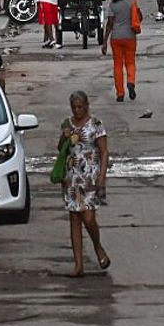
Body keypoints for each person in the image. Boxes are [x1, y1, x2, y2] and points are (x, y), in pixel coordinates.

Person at [59, 91, 111, 277]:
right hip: (72, 177)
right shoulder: (67, 124)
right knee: (74, 219)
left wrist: (102, 175)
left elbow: (104, 152)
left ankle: (98, 247)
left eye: (80, 106)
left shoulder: (96, 125)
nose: (77, 110)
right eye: (74, 107)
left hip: (90, 177)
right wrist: (64, 137)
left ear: (87, 105)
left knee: (88, 218)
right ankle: (78, 264)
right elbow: (61, 149)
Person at [102, 0, 140, 102]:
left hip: (116, 37)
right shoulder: (132, 2)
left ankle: (120, 92)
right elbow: (139, 17)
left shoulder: (112, 6)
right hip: (130, 36)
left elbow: (109, 24)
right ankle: (131, 82)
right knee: (130, 62)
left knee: (117, 65)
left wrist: (104, 42)